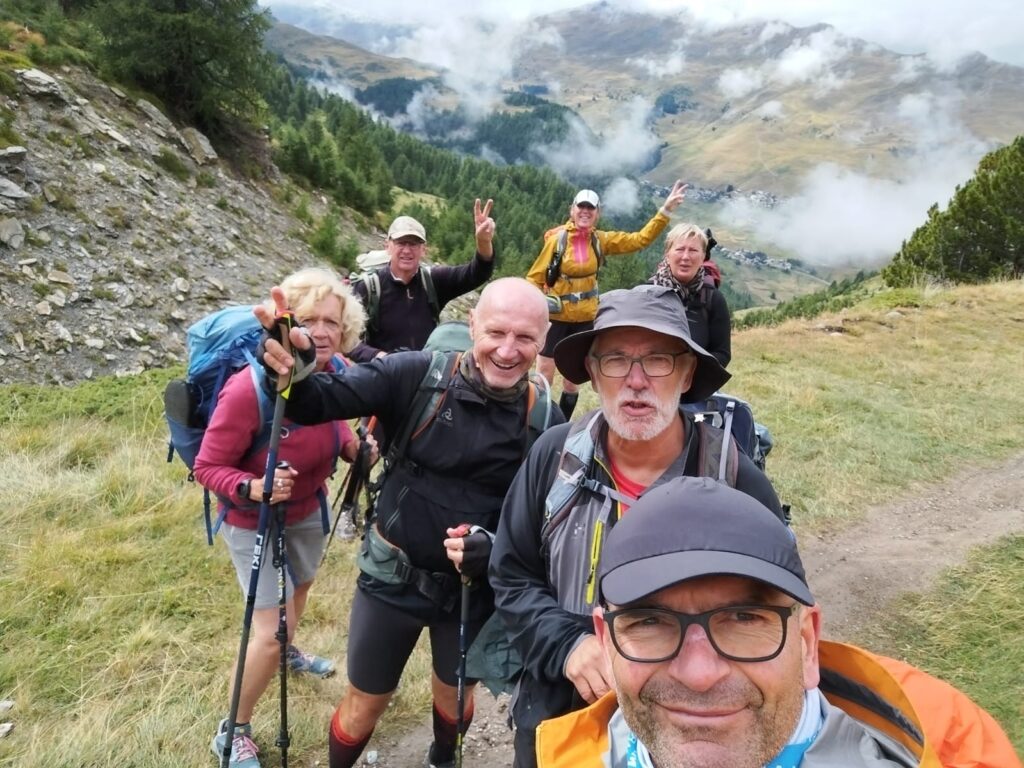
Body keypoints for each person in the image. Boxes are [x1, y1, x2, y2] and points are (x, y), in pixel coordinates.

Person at [257, 277, 565, 768]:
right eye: (496, 332)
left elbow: (544, 522)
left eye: (525, 338)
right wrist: (290, 369)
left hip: (471, 591)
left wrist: (498, 547)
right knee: (364, 706)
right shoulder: (414, 375)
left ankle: (443, 759)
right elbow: (317, 400)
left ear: (543, 341)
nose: (508, 351)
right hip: (391, 580)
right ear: (472, 326)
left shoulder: (544, 417)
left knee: (454, 699)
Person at [489, 283, 783, 768]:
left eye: (659, 360)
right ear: (592, 372)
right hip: (561, 709)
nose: (637, 380)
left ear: (687, 373)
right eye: (616, 360)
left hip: (687, 723)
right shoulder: (554, 458)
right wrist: (569, 645)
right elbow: (511, 572)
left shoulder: (734, 481)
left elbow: (774, 613)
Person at [534, 477, 1023, 768]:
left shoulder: (962, 752)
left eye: (745, 618)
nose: (700, 674)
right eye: (651, 622)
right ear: (607, 642)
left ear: (808, 643)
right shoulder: (571, 755)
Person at [194, 268, 378, 768]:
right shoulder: (246, 388)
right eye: (310, 319)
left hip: (308, 509)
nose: (321, 331)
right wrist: (252, 487)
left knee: (298, 592)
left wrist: (351, 448)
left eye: (332, 322)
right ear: (285, 322)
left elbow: (334, 420)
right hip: (255, 520)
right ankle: (232, 730)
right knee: (271, 630)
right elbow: (206, 467)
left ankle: (288, 651)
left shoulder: (335, 368)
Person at [526, 182, 687, 419]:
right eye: (581, 207)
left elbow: (639, 240)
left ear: (597, 214)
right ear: (572, 210)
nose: (585, 212)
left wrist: (665, 211)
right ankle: (536, 423)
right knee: (544, 376)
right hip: (556, 318)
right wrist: (534, 308)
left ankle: (560, 424)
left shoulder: (600, 241)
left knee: (572, 381)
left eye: (590, 208)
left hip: (585, 320)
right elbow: (534, 278)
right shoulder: (556, 241)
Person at [348, 200, 496, 362]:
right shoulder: (368, 287)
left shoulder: (432, 281)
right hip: (381, 378)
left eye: (414, 244)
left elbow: (477, 273)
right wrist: (381, 358)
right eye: (400, 243)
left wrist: (483, 242)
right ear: (387, 246)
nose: (407, 250)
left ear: (423, 250)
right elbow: (348, 340)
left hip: (423, 378)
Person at [649, 223, 731, 368]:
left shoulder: (713, 299)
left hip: (695, 385)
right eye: (680, 249)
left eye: (693, 250)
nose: (686, 257)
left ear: (703, 257)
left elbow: (722, 354)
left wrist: (686, 368)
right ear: (668, 254)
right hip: (650, 382)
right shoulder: (647, 294)